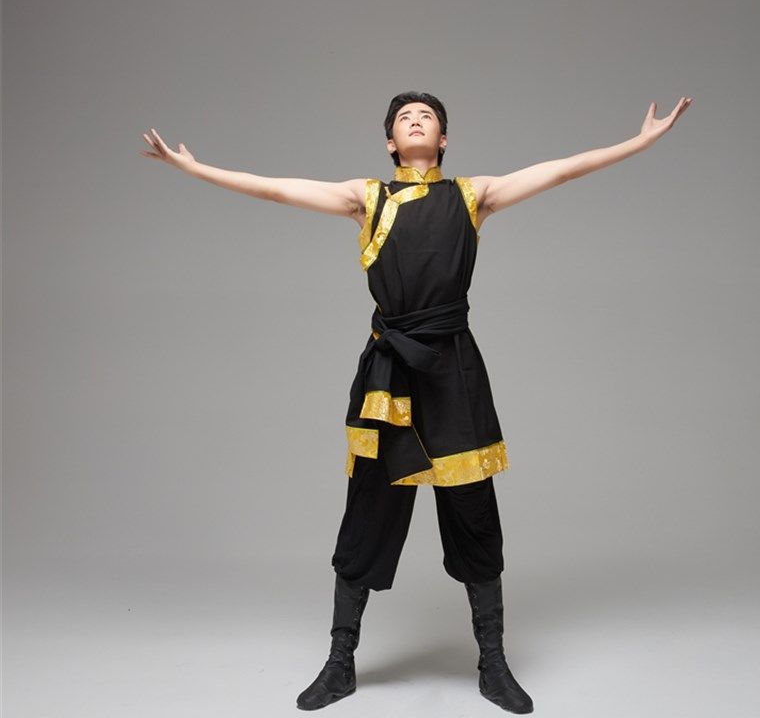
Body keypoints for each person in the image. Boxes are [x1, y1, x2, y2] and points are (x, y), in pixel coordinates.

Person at [141, 90, 692, 713]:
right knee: (367, 515)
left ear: (444, 138)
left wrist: (639, 142)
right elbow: (275, 189)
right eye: (404, 118)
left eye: (427, 116)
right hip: (391, 375)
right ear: (390, 142)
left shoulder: (473, 195)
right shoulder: (366, 198)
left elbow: (561, 170)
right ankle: (340, 663)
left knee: (475, 515)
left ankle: (493, 664)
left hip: (454, 369)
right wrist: (195, 169)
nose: (415, 120)